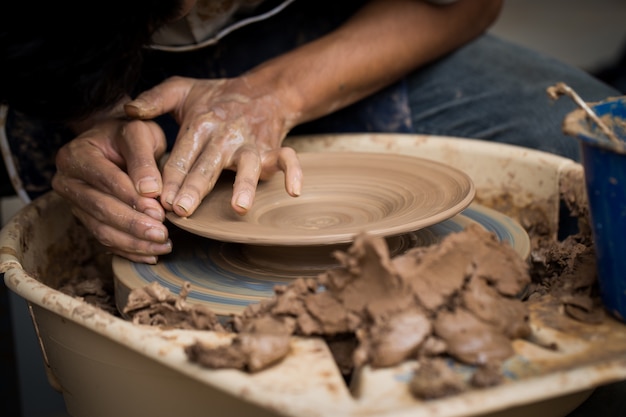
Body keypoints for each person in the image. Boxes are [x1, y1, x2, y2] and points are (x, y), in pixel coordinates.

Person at [0, 0, 620, 264]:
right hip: (95, 59)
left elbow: (462, 3)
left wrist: (273, 93)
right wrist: (101, 119)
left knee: (597, 144)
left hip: (345, 29)